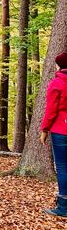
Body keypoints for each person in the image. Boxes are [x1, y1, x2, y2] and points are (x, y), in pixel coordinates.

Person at [40, 51, 67, 218]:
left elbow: (51, 111)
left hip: (61, 130)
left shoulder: (56, 84)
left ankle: (63, 206)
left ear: (60, 65)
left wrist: (44, 130)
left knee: (63, 167)